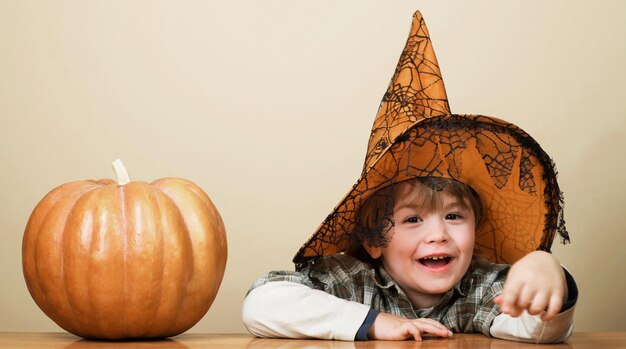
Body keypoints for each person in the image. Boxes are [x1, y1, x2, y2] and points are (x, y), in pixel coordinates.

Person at [242, 11, 576, 343]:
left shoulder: (482, 285)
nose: (438, 234)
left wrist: (550, 275)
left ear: (476, 224)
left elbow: (539, 332)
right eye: (413, 218)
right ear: (374, 240)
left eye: (454, 216)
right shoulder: (351, 281)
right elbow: (261, 305)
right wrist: (374, 322)